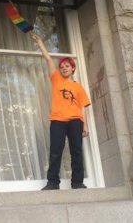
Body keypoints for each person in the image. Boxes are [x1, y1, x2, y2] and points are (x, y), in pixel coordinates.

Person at [30, 33, 91, 190]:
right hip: (57, 120)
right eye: (62, 66)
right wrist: (40, 43)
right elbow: (49, 59)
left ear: (73, 68)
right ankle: (52, 182)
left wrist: (85, 125)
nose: (64, 68)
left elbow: (82, 106)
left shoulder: (78, 87)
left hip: (75, 121)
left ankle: (77, 182)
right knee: (55, 151)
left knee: (76, 151)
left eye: (67, 66)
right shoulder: (56, 79)